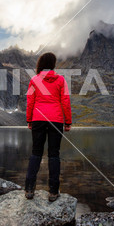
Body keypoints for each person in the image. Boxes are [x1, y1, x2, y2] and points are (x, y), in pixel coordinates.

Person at [25, 52, 72, 202]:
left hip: (38, 118)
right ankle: (53, 191)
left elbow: (30, 101)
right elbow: (65, 101)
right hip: (56, 120)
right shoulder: (61, 80)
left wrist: (29, 120)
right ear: (52, 64)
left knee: (36, 153)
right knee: (54, 154)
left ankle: (29, 189)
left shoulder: (34, 80)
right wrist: (68, 121)